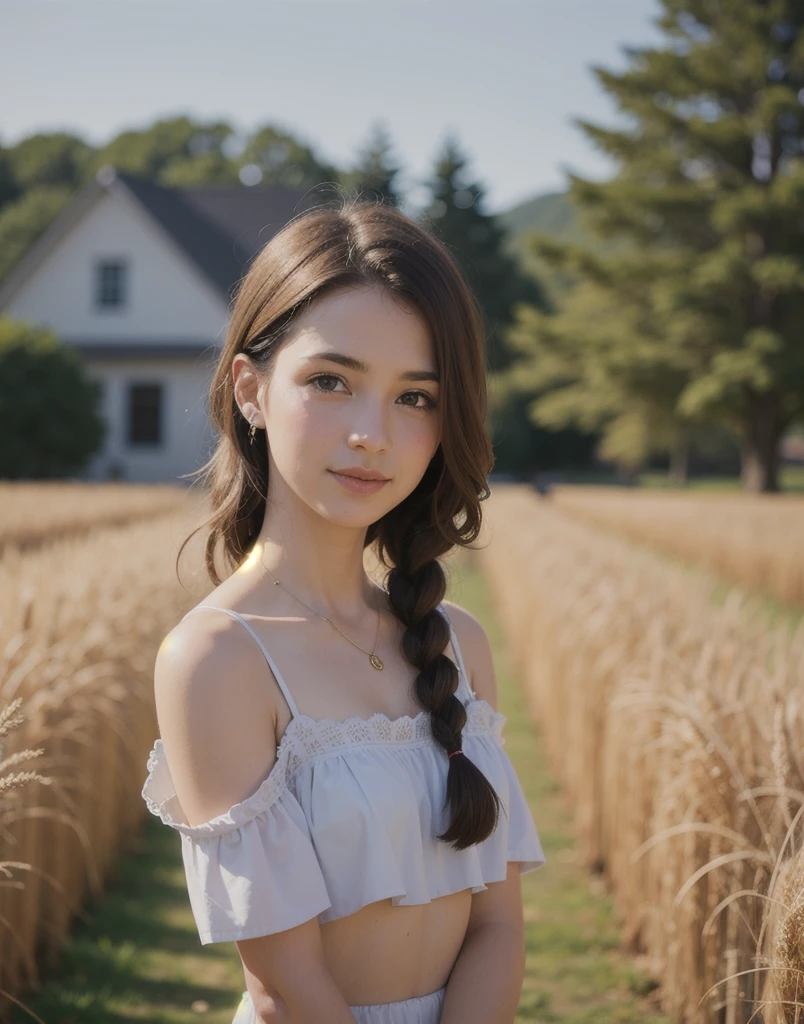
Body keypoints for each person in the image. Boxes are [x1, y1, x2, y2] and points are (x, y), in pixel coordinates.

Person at [141, 197, 546, 1023]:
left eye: (415, 398)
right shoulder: (218, 659)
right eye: (331, 382)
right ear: (249, 390)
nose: (372, 433)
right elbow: (285, 985)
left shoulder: (458, 645)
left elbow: (498, 926)